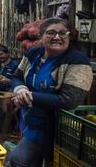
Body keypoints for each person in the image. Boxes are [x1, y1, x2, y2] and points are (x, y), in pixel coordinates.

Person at [8, 17, 93, 166]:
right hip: (29, 119)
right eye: (51, 33)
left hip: (54, 126)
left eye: (63, 33)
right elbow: (16, 76)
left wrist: (29, 96)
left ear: (69, 37)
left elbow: (69, 99)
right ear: (40, 36)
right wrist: (20, 88)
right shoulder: (34, 53)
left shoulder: (77, 61)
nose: (57, 37)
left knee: (18, 160)